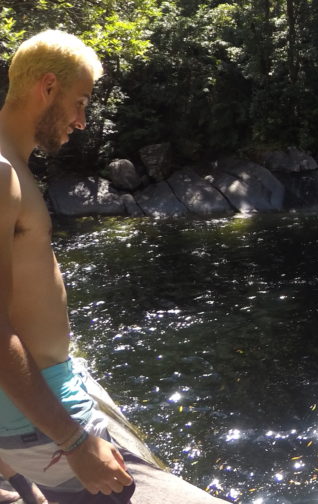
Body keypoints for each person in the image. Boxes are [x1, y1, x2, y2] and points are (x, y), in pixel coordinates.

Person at [0, 30, 221, 503]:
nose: (81, 121)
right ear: (48, 88)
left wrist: (19, 481)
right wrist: (75, 442)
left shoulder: (13, 165)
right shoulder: (1, 174)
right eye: (80, 102)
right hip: (44, 426)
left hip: (37, 413)